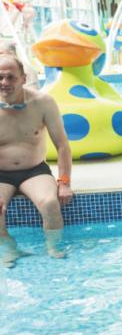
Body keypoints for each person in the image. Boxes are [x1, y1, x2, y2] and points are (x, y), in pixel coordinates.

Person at [0, 50, 73, 261]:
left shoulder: (43, 102)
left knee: (50, 203)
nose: (5, 82)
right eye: (0, 77)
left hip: (34, 170)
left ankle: (53, 248)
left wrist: (64, 182)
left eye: (11, 77)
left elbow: (62, 145)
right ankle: (9, 251)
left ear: (24, 78)